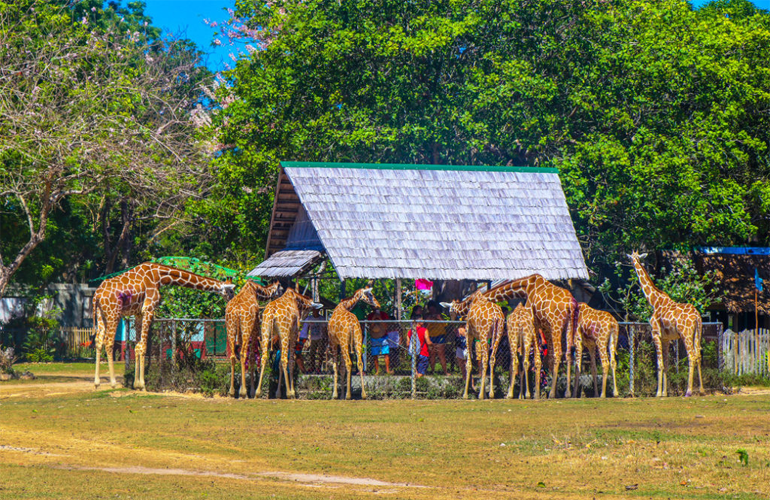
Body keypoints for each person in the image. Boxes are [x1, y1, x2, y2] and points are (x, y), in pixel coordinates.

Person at [424, 300, 449, 375]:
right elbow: (425, 327)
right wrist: (429, 321)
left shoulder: (440, 315)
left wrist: (439, 318)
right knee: (432, 354)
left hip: (440, 336)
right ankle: (432, 371)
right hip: (431, 336)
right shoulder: (426, 316)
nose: (432, 311)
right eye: (430, 309)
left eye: (433, 309)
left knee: (441, 354)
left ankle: (445, 371)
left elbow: (446, 325)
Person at [367, 307, 393, 375]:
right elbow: (370, 327)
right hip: (374, 337)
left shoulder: (384, 314)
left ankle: (387, 370)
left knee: (386, 353)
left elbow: (385, 325)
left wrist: (379, 318)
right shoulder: (370, 316)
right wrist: (374, 318)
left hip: (383, 336)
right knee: (375, 354)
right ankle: (377, 370)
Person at [301, 308, 327, 373]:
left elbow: (325, 328)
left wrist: (326, 337)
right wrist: (305, 336)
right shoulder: (309, 318)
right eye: (314, 310)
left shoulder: (322, 319)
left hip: (320, 338)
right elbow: (306, 327)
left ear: (318, 311)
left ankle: (319, 367)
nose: (314, 312)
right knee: (312, 353)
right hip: (313, 338)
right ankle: (312, 367)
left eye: (316, 310)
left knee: (320, 353)